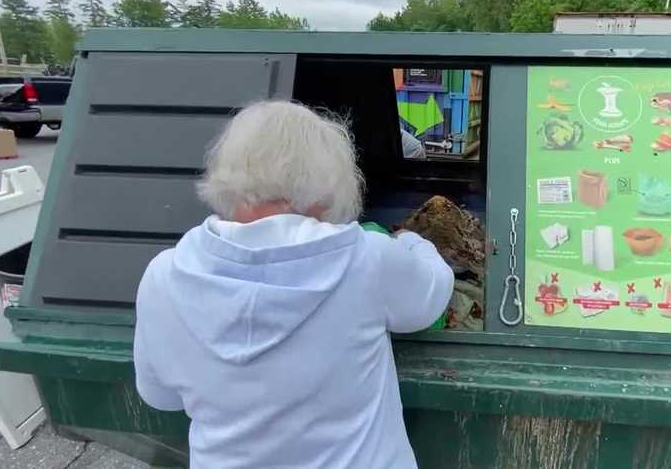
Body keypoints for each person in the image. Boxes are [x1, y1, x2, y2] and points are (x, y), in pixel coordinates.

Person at [133, 100, 454, 469]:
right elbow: (431, 296)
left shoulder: (164, 276)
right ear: (326, 181)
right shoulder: (367, 258)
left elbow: (160, 396)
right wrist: (414, 242)